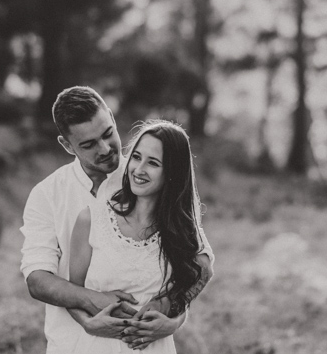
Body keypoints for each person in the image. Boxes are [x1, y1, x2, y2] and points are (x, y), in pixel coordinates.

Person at [20, 87, 213, 353]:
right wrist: (92, 308)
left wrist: (174, 319)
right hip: (70, 343)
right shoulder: (48, 194)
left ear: (110, 116)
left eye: (108, 133)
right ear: (67, 145)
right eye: (88, 144)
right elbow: (38, 279)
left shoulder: (147, 176)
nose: (105, 148)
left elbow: (197, 265)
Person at [67, 119, 209, 353]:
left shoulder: (181, 230)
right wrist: (89, 324)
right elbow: (73, 295)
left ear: (172, 172)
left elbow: (192, 284)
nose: (139, 169)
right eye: (136, 157)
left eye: (153, 163)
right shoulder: (91, 218)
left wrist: (172, 324)